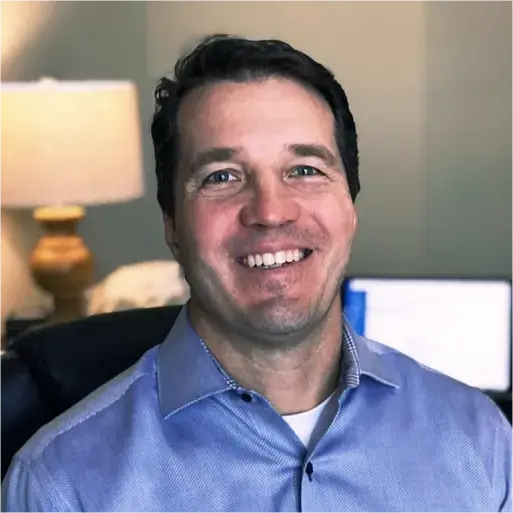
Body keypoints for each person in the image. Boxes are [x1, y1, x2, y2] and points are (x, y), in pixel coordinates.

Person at [1, 34, 512, 513]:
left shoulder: (482, 441)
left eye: (306, 170)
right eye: (222, 177)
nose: (271, 211)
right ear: (173, 225)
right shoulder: (59, 485)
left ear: (350, 208)